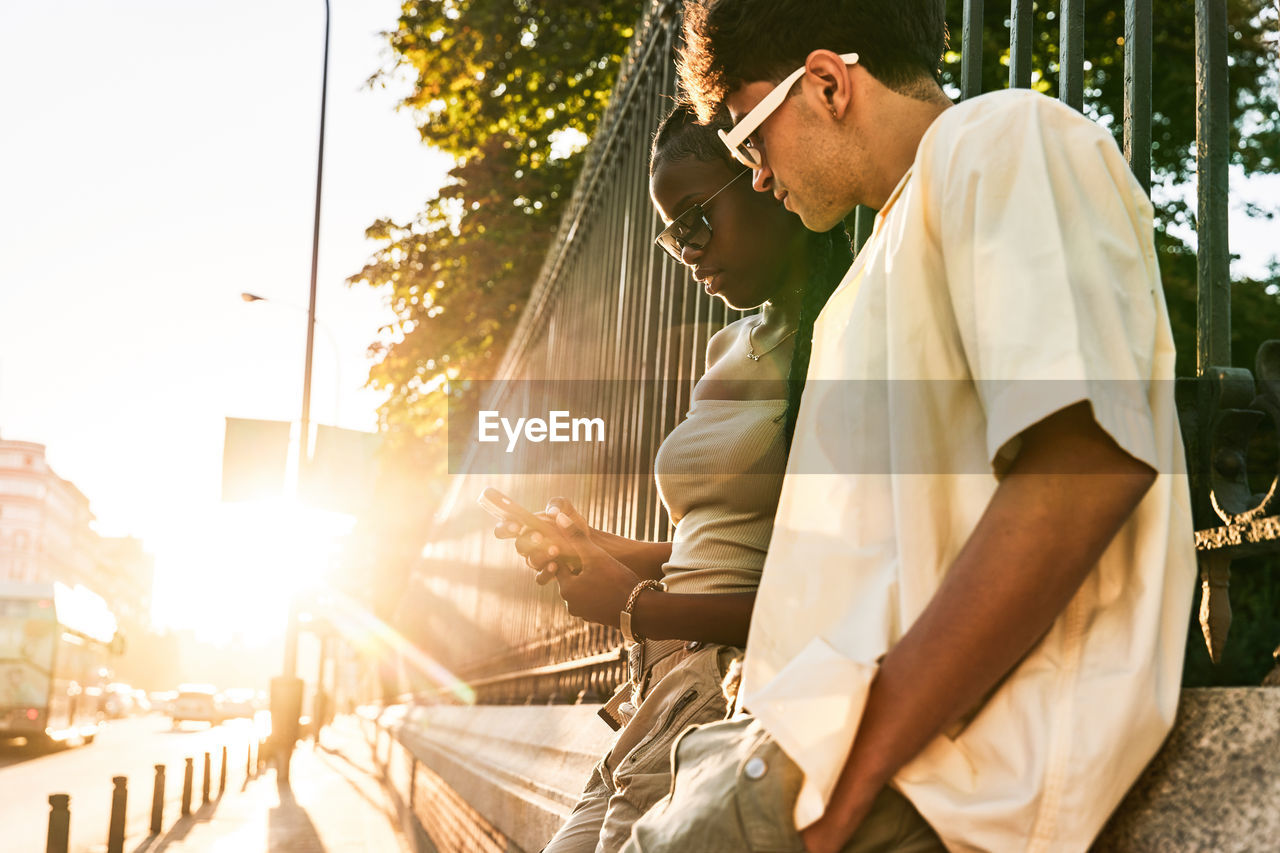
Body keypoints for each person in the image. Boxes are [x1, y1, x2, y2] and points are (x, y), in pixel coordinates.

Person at [623, 2, 1196, 852]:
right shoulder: (870, 274)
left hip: (918, 780)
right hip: (803, 755)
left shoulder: (1006, 139)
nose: (753, 175)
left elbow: (1084, 466)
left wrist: (844, 785)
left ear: (826, 83)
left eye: (750, 138)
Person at [495, 103, 851, 853]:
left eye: (694, 217)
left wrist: (634, 606)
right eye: (671, 231)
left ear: (762, 176)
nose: (685, 249)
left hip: (721, 695)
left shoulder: (844, 336)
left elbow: (830, 598)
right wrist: (601, 546)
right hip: (652, 692)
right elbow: (711, 540)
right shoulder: (731, 344)